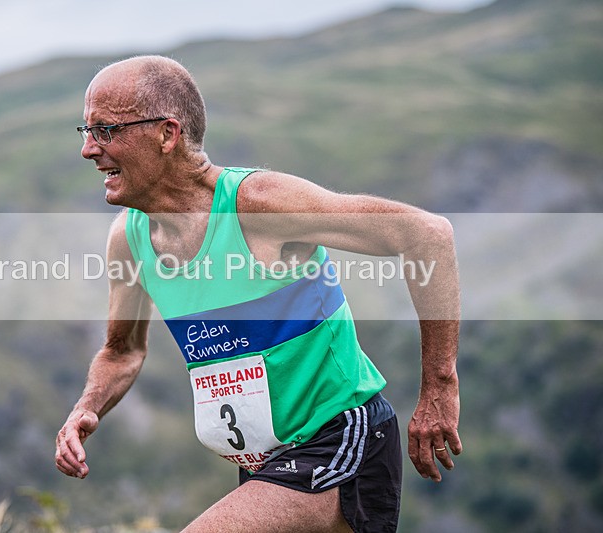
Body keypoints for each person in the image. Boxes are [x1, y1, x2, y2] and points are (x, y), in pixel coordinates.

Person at [55, 55, 461, 532]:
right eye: (85, 130)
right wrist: (87, 407)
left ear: (167, 134)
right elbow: (121, 352)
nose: (88, 149)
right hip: (263, 469)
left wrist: (439, 386)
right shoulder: (130, 237)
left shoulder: (258, 206)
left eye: (105, 131)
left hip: (339, 442)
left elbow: (427, 235)